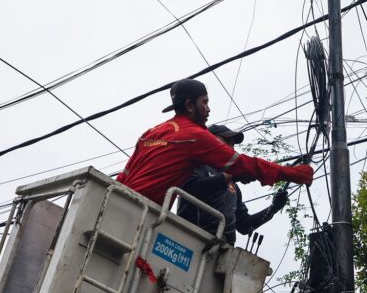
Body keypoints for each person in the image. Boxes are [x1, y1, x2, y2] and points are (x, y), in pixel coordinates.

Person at [116, 79, 313, 205]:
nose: (208, 109)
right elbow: (243, 164)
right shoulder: (195, 136)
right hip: (141, 210)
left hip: (118, 202)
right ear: (190, 105)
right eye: (205, 102)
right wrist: (295, 174)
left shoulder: (150, 133)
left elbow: (124, 176)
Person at [177, 124, 289, 244]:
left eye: (233, 145)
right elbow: (190, 188)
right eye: (227, 141)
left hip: (220, 250)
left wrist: (273, 208)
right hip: (189, 240)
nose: (232, 148)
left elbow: (244, 225)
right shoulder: (195, 166)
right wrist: (230, 177)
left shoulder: (233, 187)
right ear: (210, 140)